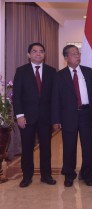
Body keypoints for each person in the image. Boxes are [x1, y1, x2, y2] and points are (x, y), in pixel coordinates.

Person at [52, 45, 92, 187]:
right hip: (68, 116)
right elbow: (55, 99)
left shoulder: (89, 72)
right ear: (66, 58)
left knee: (88, 146)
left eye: (78, 53)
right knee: (69, 147)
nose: (77, 56)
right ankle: (69, 174)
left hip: (87, 114)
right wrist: (56, 119)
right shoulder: (59, 76)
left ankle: (87, 174)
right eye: (73, 54)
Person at [13, 42, 56, 187]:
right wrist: (19, 115)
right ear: (28, 55)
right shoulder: (21, 71)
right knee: (27, 148)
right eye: (35, 51)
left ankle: (46, 175)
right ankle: (27, 177)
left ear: (44, 54)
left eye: (41, 51)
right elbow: (17, 96)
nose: (38, 53)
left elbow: (55, 97)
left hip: (46, 117)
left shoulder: (51, 71)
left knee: (46, 148)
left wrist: (55, 117)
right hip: (26, 118)